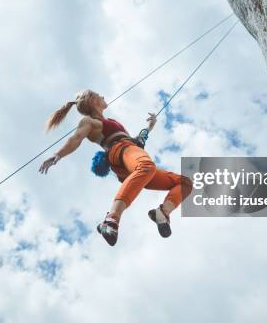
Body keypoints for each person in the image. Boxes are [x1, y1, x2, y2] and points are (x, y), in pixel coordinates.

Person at [39, 89, 193, 246]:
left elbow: (135, 141)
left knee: (185, 183)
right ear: (92, 100)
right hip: (118, 151)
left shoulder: (112, 122)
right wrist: (58, 155)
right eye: (99, 95)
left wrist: (149, 126)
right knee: (146, 166)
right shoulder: (89, 122)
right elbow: (77, 137)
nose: (103, 96)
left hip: (130, 155)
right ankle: (111, 220)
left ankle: (163, 213)